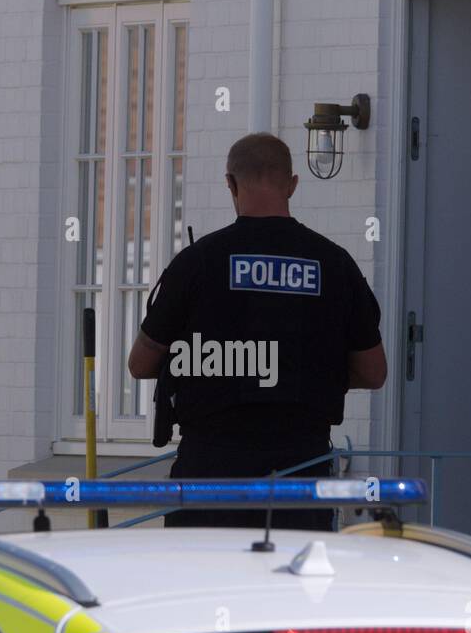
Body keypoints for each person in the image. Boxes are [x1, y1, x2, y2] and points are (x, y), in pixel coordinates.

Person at [127, 132, 386, 529]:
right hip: (301, 472)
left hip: (210, 475)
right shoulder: (335, 266)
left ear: (230, 183)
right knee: (290, 586)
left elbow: (141, 364)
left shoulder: (197, 263)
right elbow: (373, 372)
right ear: (293, 184)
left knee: (204, 586)